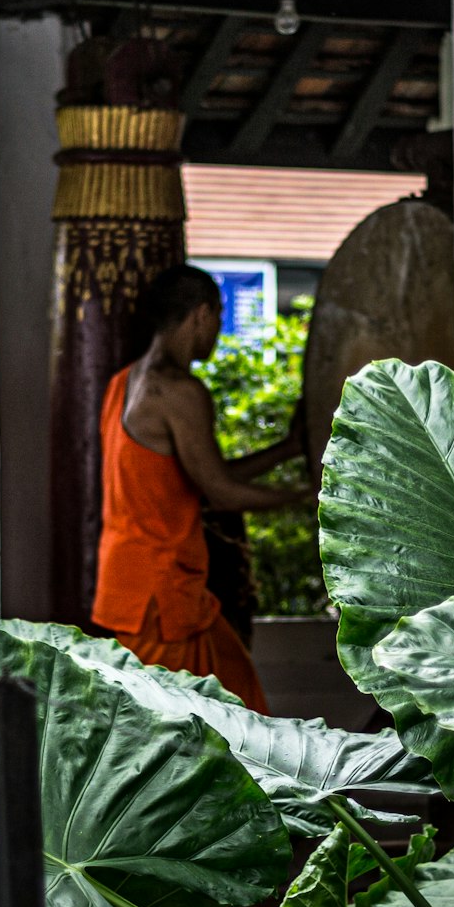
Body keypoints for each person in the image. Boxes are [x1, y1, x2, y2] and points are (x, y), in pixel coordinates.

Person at [91, 264, 310, 713]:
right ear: (202, 314)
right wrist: (307, 497)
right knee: (195, 741)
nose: (219, 330)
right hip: (161, 601)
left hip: (135, 589)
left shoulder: (124, 384)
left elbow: (202, 474)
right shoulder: (178, 391)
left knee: (242, 718)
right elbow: (221, 492)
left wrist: (286, 450)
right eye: (220, 316)